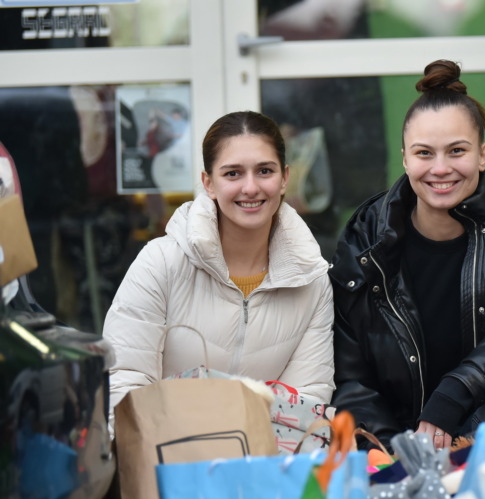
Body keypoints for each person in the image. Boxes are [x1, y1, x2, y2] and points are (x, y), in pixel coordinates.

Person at [330, 59, 485, 452]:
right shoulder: (366, 237)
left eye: (456, 151)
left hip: (482, 416)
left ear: (482, 154)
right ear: (405, 158)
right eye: (424, 153)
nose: (440, 169)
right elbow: (351, 375)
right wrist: (398, 454)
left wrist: (453, 393)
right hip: (399, 432)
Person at [104, 110, 335, 415]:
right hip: (166, 456)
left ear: (284, 179)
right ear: (208, 183)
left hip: (262, 460)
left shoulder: (312, 280)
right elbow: (123, 383)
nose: (250, 187)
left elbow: (305, 405)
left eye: (265, 171)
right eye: (232, 173)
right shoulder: (161, 263)